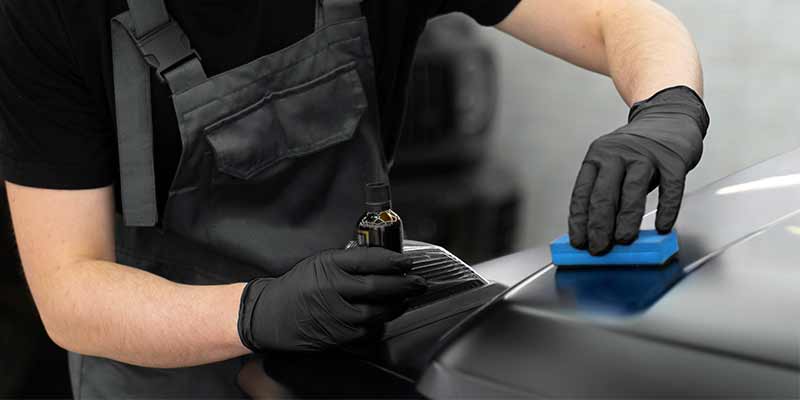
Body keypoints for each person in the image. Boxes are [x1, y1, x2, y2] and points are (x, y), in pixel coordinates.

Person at [0, 0, 709, 398]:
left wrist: (666, 106)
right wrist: (258, 310)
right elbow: (71, 292)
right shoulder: (50, 18)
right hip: (160, 368)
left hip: (356, 343)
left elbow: (616, 16)